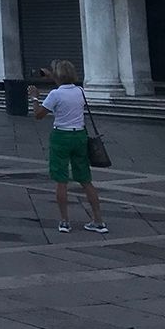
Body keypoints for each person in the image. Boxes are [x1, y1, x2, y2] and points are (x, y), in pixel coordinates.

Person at [29, 60, 108, 234]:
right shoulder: (80, 91)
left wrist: (34, 97)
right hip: (79, 135)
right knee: (86, 180)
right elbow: (64, 85)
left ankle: (65, 221)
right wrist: (52, 75)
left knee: (61, 180)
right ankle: (98, 220)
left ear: (57, 75)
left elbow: (38, 115)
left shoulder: (55, 95)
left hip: (61, 136)